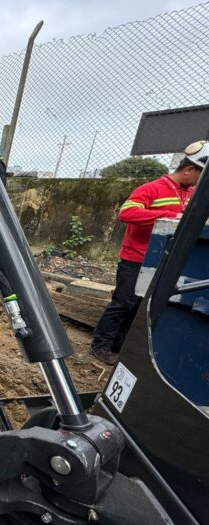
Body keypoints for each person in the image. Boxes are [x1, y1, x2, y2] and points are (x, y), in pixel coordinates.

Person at [90, 141, 208, 365]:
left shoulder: (190, 193)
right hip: (135, 258)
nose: (201, 181)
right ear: (189, 169)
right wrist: (166, 216)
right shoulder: (152, 188)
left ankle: (120, 346)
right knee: (123, 302)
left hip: (162, 260)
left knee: (140, 306)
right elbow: (127, 212)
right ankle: (100, 345)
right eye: (201, 174)